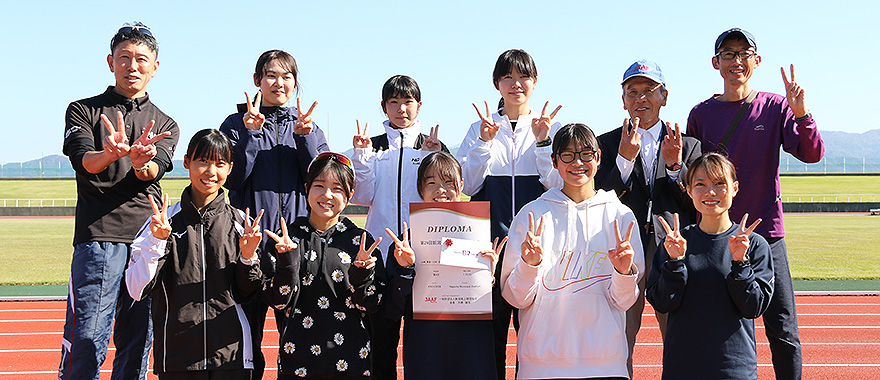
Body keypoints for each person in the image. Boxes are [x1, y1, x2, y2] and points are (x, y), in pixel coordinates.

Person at [686, 27, 824, 380]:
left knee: (782, 330)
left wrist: (803, 114)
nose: (737, 61)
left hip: (767, 233)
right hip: (717, 235)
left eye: (744, 53)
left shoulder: (776, 106)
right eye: (728, 54)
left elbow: (811, 154)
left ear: (756, 61)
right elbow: (696, 178)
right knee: (717, 326)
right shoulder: (701, 114)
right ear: (715, 63)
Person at [59, 21, 179, 380]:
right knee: (88, 338)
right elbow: (84, 163)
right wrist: (109, 154)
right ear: (110, 61)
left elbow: (152, 173)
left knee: (137, 340)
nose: (133, 66)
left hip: (146, 242)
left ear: (155, 67)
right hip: (98, 239)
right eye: (124, 57)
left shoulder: (165, 123)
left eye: (142, 59)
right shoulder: (82, 110)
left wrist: (142, 162)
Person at [500, 123, 643, 379]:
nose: (577, 162)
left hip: (606, 364)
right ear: (554, 161)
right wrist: (529, 266)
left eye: (586, 154)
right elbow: (515, 298)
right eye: (567, 155)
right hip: (540, 365)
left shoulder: (620, 216)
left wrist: (623, 273)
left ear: (598, 158)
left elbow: (624, 301)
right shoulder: (531, 216)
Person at [219, 49, 329, 379]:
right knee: (246, 343)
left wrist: (305, 138)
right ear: (257, 81)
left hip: (293, 249)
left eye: (287, 77)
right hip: (247, 248)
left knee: (297, 339)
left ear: (295, 84)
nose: (279, 83)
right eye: (271, 75)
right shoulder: (235, 124)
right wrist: (251, 134)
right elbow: (233, 178)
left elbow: (321, 182)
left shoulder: (308, 127)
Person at [125, 129, 265, 380]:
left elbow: (250, 296)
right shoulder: (161, 222)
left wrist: (247, 258)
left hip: (231, 357)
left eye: (220, 164)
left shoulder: (243, 224)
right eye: (203, 162)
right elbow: (136, 288)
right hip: (178, 358)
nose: (211, 172)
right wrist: (157, 242)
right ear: (187, 162)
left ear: (230, 168)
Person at [457, 49, 562, 379]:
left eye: (523, 77)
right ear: (497, 83)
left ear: (535, 81)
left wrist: (544, 142)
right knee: (490, 337)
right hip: (490, 250)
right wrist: (484, 143)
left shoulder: (550, 128)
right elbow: (469, 184)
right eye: (508, 77)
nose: (516, 84)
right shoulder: (479, 127)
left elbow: (557, 184)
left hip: (536, 249)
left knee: (534, 336)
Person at [593, 59, 702, 377]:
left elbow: (695, 201)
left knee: (678, 335)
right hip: (623, 251)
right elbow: (601, 198)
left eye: (649, 91)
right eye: (633, 91)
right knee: (620, 337)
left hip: (671, 251)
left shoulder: (688, 144)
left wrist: (674, 167)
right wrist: (624, 161)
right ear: (623, 99)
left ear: (664, 97)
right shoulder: (606, 144)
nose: (641, 98)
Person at [350, 74, 446, 380]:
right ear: (384, 107)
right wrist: (362, 159)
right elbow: (363, 197)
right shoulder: (373, 147)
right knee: (382, 336)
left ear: (419, 106)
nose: (401, 108)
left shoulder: (432, 146)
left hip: (423, 253)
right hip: (381, 253)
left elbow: (444, 198)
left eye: (407, 102)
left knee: (423, 337)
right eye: (394, 102)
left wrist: (434, 156)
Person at [646, 152, 775, 380]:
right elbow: (661, 302)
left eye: (719, 183)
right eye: (700, 184)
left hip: (734, 369)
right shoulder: (676, 242)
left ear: (734, 188)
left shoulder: (753, 244)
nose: (710, 192)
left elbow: (754, 307)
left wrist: (740, 263)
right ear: (688, 190)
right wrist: (675, 262)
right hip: (682, 368)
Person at [382, 151, 507, 379]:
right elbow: (392, 309)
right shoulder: (404, 244)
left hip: (473, 349)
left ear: (461, 185)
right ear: (421, 188)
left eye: (448, 182)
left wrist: (488, 278)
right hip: (426, 349)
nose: (441, 190)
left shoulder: (482, 238)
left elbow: (496, 311)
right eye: (432, 183)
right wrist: (404, 270)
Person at [262, 152, 383, 379]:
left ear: (349, 196)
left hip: (352, 360)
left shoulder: (361, 242)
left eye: (337, 188)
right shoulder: (287, 239)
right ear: (307, 188)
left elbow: (372, 304)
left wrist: (362, 274)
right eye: (319, 185)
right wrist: (287, 261)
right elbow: (277, 301)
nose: (327, 195)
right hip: (296, 361)